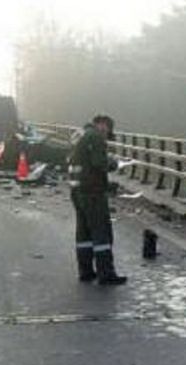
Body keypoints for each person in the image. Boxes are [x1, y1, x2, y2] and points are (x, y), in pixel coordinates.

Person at [68, 115, 127, 285]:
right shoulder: (95, 137)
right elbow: (99, 162)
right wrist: (114, 163)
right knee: (101, 232)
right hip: (92, 192)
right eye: (107, 130)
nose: (106, 134)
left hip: (77, 190)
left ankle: (86, 271)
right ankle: (106, 274)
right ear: (103, 125)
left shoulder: (79, 135)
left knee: (84, 233)